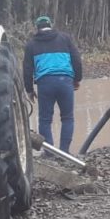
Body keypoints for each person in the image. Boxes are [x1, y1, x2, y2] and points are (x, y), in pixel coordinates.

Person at [23, 15, 83, 152]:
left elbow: (27, 69)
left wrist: (29, 90)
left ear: (37, 28)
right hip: (65, 81)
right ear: (50, 25)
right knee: (67, 118)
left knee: (45, 120)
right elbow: (77, 60)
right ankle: (64, 152)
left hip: (45, 83)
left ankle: (50, 154)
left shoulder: (31, 44)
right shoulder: (65, 38)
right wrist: (77, 79)